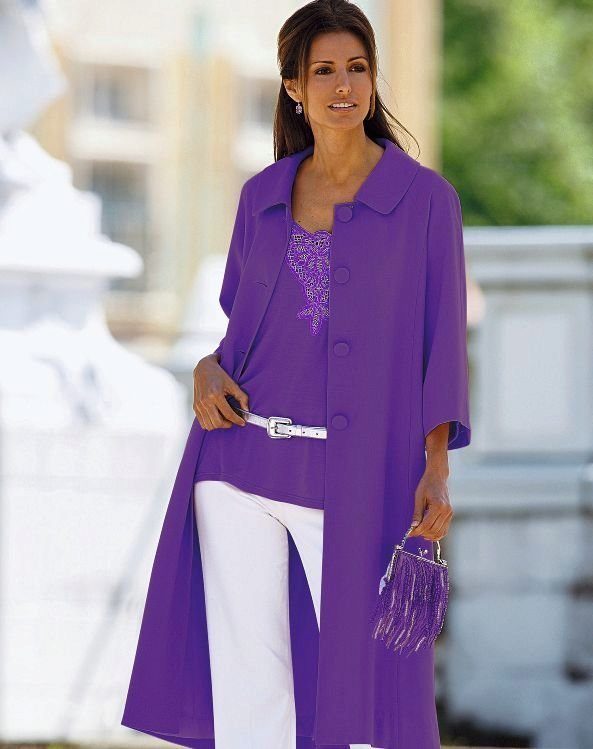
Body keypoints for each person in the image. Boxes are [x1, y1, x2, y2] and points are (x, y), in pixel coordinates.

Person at [121, 2, 471, 748]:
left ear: (373, 79)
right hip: (236, 463)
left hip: (358, 475)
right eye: (324, 71)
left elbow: (440, 344)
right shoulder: (262, 195)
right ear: (293, 87)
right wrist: (205, 370)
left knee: (373, 696)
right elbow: (240, 332)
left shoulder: (424, 202)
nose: (344, 86)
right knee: (251, 694)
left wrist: (436, 465)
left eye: (358, 68)